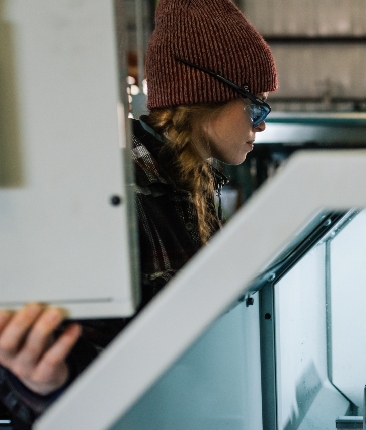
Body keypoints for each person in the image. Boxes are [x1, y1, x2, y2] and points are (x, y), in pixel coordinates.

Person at [0, 0, 277, 427]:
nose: (261, 125)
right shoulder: (119, 195)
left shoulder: (192, 185)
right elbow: (64, 363)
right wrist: (45, 386)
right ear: (206, 94)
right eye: (255, 107)